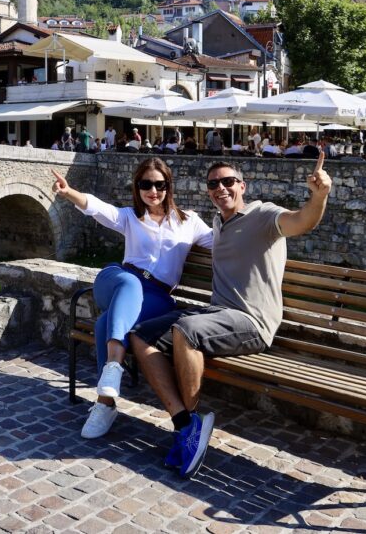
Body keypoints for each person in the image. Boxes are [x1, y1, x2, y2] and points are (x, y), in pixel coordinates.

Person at [130, 155, 332, 476]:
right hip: (217, 316)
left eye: (227, 182)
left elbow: (301, 221)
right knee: (140, 335)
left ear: (242, 186)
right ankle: (185, 424)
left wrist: (319, 196)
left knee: (185, 330)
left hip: (252, 322)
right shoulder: (217, 223)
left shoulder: (263, 215)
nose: (220, 188)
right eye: (213, 184)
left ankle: (193, 426)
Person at [51, 158, 214, 439]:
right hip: (117, 281)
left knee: (105, 324)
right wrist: (69, 193)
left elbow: (222, 242)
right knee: (128, 283)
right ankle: (114, 369)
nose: (153, 191)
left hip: (158, 296)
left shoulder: (189, 222)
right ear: (137, 187)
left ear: (168, 186)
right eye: (146, 184)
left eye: (159, 184)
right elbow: (97, 208)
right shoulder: (130, 217)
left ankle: (106, 403)